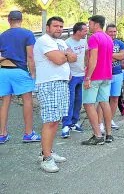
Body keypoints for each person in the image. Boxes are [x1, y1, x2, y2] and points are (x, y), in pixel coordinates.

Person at [34, 16, 76, 173]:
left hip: (61, 83)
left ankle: (47, 151)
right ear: (47, 27)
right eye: (56, 26)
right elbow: (60, 59)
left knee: (56, 120)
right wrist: (66, 56)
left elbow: (73, 57)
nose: (59, 28)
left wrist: (65, 56)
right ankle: (46, 159)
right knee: (50, 121)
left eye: (61, 26)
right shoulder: (44, 40)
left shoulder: (62, 42)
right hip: (49, 84)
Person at [0, 10, 40, 144]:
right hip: (19, 70)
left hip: (4, 71)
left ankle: (2, 134)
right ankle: (28, 133)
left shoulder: (3, 35)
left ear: (9, 20)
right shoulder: (27, 34)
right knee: (27, 101)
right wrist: (33, 73)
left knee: (5, 102)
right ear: (21, 20)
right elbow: (30, 56)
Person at [82, 15, 114, 145]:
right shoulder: (109, 38)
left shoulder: (94, 38)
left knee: (89, 104)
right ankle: (109, 134)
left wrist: (88, 77)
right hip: (107, 74)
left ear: (96, 24)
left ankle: (97, 135)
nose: (89, 26)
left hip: (95, 75)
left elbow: (93, 59)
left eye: (90, 24)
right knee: (104, 102)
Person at [61, 22, 88, 138]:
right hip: (71, 76)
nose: (86, 32)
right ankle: (65, 125)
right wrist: (68, 72)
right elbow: (64, 59)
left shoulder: (84, 40)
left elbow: (86, 54)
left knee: (78, 100)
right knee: (69, 101)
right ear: (78, 31)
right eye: (85, 31)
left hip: (82, 74)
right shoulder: (67, 43)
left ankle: (74, 122)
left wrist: (86, 67)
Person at [101, 24, 124, 131]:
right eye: (110, 31)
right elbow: (102, 58)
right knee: (102, 100)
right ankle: (100, 123)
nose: (113, 33)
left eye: (114, 31)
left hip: (117, 73)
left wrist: (109, 55)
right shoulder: (102, 42)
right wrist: (117, 56)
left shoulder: (119, 43)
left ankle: (109, 120)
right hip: (105, 74)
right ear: (106, 31)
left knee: (115, 98)